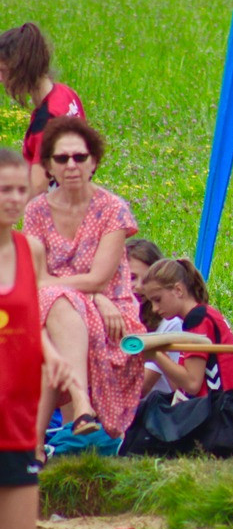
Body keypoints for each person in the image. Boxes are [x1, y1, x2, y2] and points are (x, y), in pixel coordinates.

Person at [22, 117, 144, 444]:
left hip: (113, 310)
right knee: (55, 306)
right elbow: (36, 274)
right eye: (61, 158)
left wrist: (94, 296)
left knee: (54, 308)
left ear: (94, 162)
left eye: (80, 157)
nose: (71, 165)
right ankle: (81, 404)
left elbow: (99, 278)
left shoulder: (113, 208)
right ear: (48, 165)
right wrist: (85, 294)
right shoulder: (35, 211)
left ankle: (34, 447)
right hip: (62, 307)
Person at [0, 147, 73, 529]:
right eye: (2, 191)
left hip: (19, 424)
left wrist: (53, 356)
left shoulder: (31, 251)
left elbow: (30, 320)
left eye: (19, 191)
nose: (12, 200)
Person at [0, 23, 85, 198]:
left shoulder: (46, 122)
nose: (1, 79)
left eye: (3, 71)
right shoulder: (66, 94)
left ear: (22, 70)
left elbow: (37, 186)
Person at [141, 258, 233, 398]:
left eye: (158, 299)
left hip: (221, 408)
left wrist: (156, 355)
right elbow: (179, 387)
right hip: (221, 403)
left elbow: (192, 384)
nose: (154, 309)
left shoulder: (198, 319)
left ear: (178, 290)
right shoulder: (202, 315)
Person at [126, 238, 182, 397]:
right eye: (131, 278)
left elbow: (141, 387)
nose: (138, 286)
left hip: (153, 410)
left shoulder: (169, 322)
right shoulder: (115, 314)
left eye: (145, 280)